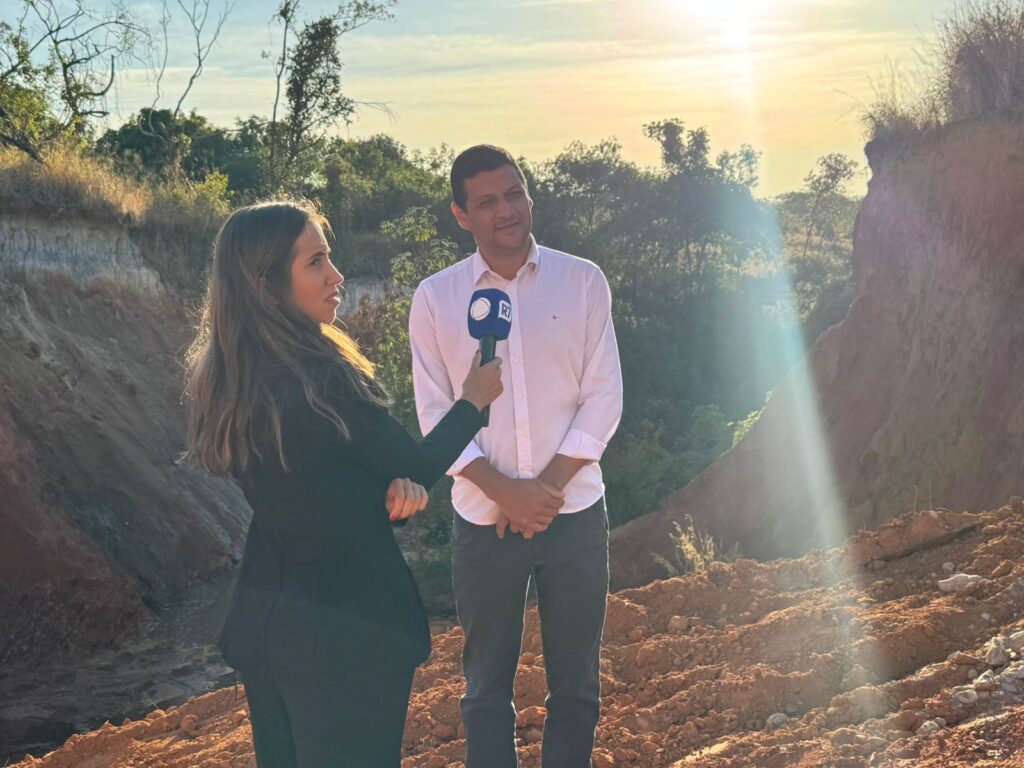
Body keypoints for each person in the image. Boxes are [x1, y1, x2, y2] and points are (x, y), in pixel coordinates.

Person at [181, 200, 503, 768]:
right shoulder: (319, 380)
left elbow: (310, 489)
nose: (336, 276)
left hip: (267, 626)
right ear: (267, 285)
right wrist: (472, 403)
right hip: (348, 635)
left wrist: (381, 495)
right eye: (315, 262)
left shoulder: (230, 380)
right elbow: (416, 463)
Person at [409, 145, 623, 767]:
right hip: (485, 520)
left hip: (573, 513)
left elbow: (604, 396)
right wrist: (505, 491)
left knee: (576, 685)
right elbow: (435, 414)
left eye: (513, 193)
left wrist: (541, 493)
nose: (506, 210)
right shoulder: (436, 298)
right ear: (461, 216)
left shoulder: (582, 280)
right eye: (486, 202)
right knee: (485, 688)